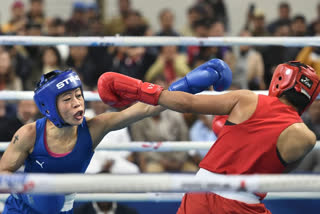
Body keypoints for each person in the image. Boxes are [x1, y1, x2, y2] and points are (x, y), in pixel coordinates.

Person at [0, 58, 231, 214]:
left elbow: (143, 109)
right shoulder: (29, 134)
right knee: (49, 198)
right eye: (67, 99)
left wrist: (187, 85)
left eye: (78, 96)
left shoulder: (93, 129)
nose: (77, 103)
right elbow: (2, 173)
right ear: (50, 106)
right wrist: (31, 189)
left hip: (62, 211)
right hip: (19, 210)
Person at [98, 60, 320, 214]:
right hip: (245, 203)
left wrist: (140, 90)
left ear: (280, 79)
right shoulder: (306, 137)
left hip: (200, 194)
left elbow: (187, 103)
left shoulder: (248, 100)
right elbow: (275, 169)